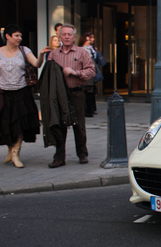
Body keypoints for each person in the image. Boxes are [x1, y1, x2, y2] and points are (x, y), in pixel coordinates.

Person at [0, 24, 49, 168]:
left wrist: (41, 55)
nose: (19, 38)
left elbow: (36, 64)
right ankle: (10, 150)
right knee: (6, 124)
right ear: (8, 36)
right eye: (16, 35)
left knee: (21, 125)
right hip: (3, 93)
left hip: (22, 93)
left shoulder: (24, 50)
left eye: (20, 36)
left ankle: (15, 154)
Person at [48, 24, 95, 168]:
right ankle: (59, 157)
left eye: (70, 34)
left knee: (79, 124)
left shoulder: (82, 52)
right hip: (59, 95)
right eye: (64, 34)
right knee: (60, 124)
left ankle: (82, 154)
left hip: (77, 92)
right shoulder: (54, 54)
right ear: (60, 36)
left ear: (74, 37)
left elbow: (91, 71)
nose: (67, 37)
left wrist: (75, 73)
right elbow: (48, 74)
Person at [78, 32, 97, 117]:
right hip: (85, 73)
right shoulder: (81, 50)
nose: (89, 41)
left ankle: (91, 110)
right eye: (87, 40)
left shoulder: (91, 49)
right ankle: (87, 110)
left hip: (91, 73)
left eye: (89, 40)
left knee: (91, 93)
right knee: (86, 92)